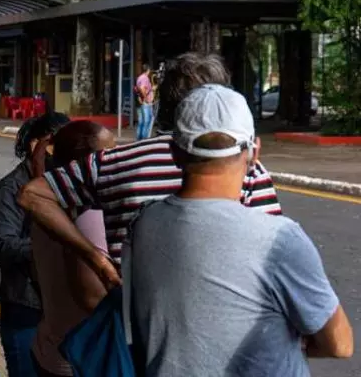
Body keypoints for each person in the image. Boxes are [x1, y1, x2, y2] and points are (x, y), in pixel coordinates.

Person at [128, 84, 353, 376]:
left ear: (174, 153)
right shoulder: (279, 239)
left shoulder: (144, 222)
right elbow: (340, 344)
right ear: (254, 152)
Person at [17, 52, 283, 288]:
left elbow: (32, 195)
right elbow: (271, 261)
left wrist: (95, 258)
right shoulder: (248, 169)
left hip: (133, 315)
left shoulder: (111, 162)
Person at [29, 121, 114, 377]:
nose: (117, 159)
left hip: (51, 350)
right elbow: (92, 298)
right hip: (81, 360)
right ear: (87, 163)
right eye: (109, 153)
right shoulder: (88, 215)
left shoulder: (47, 208)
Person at [0, 112, 70, 377]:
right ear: (37, 145)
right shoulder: (10, 189)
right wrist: (54, 247)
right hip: (26, 311)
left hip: (60, 313)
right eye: (56, 144)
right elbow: (5, 246)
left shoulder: (66, 183)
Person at [135, 63, 154, 140]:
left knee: (141, 122)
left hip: (141, 102)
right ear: (148, 70)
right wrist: (146, 98)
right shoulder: (145, 78)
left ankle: (139, 140)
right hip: (145, 103)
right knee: (147, 121)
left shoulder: (139, 77)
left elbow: (138, 88)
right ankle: (144, 139)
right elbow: (142, 88)